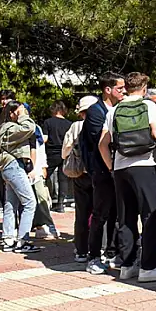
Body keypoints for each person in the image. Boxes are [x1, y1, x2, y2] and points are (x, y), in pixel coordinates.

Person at [98, 72, 156, 283]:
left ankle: (127, 265)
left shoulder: (113, 110)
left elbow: (103, 144)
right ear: (144, 88)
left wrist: (112, 167)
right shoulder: (148, 106)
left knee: (126, 218)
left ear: (126, 88)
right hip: (143, 166)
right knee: (150, 216)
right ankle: (148, 267)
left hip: (121, 169)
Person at [82, 73, 125, 274]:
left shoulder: (119, 109)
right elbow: (99, 141)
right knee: (100, 214)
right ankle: (92, 257)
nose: (124, 91)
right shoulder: (95, 112)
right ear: (108, 90)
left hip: (118, 169)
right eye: (120, 88)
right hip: (102, 170)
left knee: (116, 213)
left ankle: (112, 252)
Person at [0, 100, 44, 253]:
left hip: (10, 167)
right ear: (11, 113)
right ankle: (23, 241)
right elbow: (30, 128)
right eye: (18, 111)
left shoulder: (3, 128)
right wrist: (23, 115)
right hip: (13, 166)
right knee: (30, 202)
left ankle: (8, 239)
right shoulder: (10, 127)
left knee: (11, 204)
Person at [63, 95, 98, 263]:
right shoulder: (100, 123)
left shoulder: (75, 126)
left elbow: (64, 152)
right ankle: (99, 248)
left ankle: (81, 250)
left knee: (82, 213)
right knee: (100, 213)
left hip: (79, 174)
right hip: (98, 173)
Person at [41, 101, 72, 212]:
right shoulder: (69, 124)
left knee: (43, 176)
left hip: (51, 153)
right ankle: (60, 204)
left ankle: (42, 201)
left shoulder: (48, 122)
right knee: (63, 179)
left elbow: (45, 138)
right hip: (64, 153)